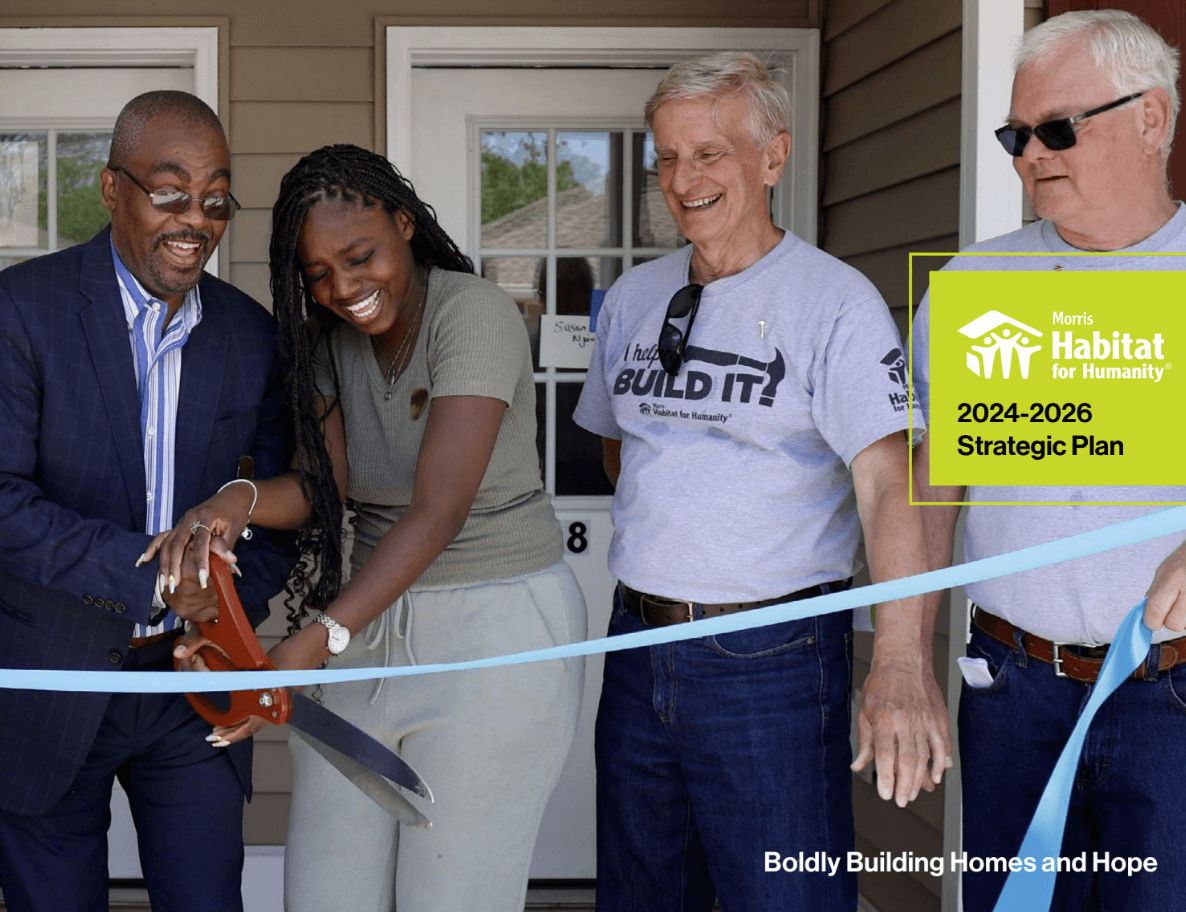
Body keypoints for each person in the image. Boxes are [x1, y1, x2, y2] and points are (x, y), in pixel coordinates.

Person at [146, 144, 587, 912]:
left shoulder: (473, 313)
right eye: (318, 274)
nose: (344, 288)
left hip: (498, 627)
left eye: (360, 257)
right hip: (370, 626)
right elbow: (327, 487)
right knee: (325, 892)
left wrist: (314, 641)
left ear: (405, 224)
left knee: (452, 893)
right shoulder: (328, 340)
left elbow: (438, 510)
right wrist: (233, 503)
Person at [573, 52, 950, 912]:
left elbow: (889, 485)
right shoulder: (634, 297)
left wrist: (897, 656)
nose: (683, 178)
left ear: (773, 158)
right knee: (640, 893)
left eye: (710, 153)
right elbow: (620, 449)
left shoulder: (835, 302)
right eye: (666, 157)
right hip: (636, 645)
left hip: (769, 660)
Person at [912, 11, 1186, 911]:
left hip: (1171, 696)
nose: (1031, 154)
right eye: (1016, 135)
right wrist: (902, 656)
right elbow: (932, 486)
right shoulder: (970, 289)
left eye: (1058, 128)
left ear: (1151, 118)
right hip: (1013, 694)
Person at [0, 91, 295, 912]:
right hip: (49, 682)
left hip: (189, 682)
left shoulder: (249, 335)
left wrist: (224, 614)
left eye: (214, 198)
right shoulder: (22, 311)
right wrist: (156, 580)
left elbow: (273, 511)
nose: (194, 218)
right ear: (111, 189)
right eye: (170, 191)